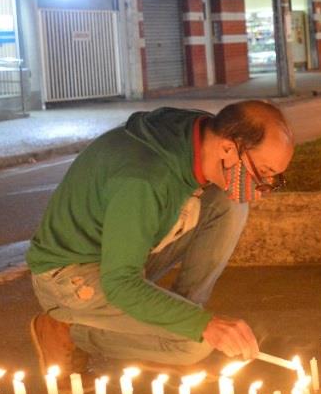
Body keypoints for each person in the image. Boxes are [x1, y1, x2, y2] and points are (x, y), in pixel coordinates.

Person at [26, 101, 294, 374]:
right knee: (193, 345)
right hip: (70, 277)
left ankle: (179, 317)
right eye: (264, 173)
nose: (265, 188)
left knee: (230, 202)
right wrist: (202, 326)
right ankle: (66, 330)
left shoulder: (201, 133)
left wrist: (193, 320)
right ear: (227, 148)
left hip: (123, 249)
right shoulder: (143, 180)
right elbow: (120, 283)